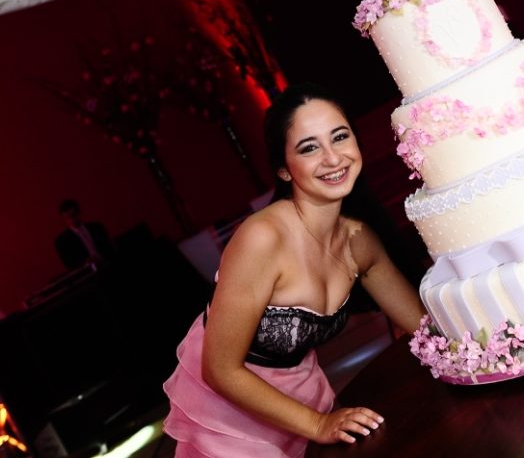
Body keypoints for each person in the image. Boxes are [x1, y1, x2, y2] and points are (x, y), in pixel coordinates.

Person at [163, 82, 425, 457]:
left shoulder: (359, 240)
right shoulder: (262, 238)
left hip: (302, 394)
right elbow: (219, 369)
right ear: (284, 170)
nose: (333, 158)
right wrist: (317, 424)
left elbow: (422, 330)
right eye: (309, 147)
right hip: (229, 413)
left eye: (340, 137)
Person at [54, 198, 115, 270]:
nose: (72, 219)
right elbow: (69, 263)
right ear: (64, 219)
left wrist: (102, 257)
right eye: (68, 217)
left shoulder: (97, 228)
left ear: (79, 213)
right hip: (87, 271)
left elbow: (109, 247)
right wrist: (86, 262)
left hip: (108, 264)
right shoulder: (63, 241)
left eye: (74, 215)